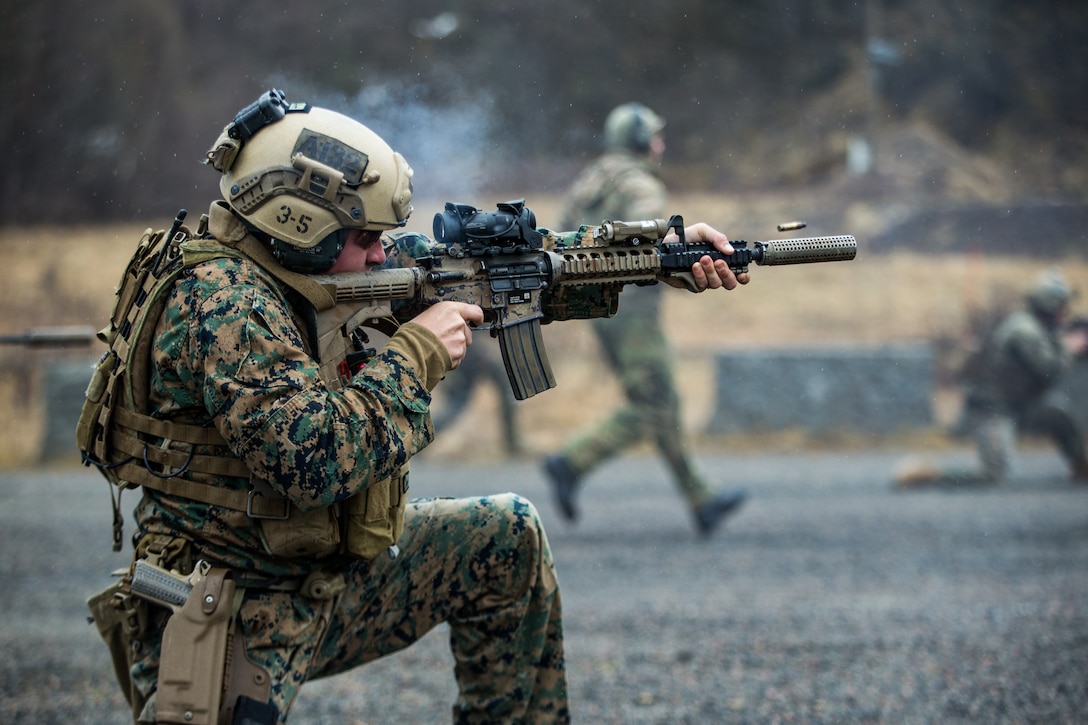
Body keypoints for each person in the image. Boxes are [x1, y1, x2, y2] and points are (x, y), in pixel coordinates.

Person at [81, 90, 749, 724]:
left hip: (321, 578)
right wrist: (414, 356)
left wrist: (652, 256)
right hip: (229, 607)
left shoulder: (305, 267)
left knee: (505, 538)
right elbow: (311, 462)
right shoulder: (221, 299)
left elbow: (495, 272)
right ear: (302, 226)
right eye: (364, 236)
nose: (381, 253)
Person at [542, 103, 748, 536]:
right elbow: (655, 237)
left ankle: (701, 499)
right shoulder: (638, 183)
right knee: (654, 403)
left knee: (661, 400)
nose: (661, 144)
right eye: (655, 137)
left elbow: (561, 235)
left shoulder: (593, 180)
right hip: (634, 310)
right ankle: (572, 462)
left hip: (600, 306)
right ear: (639, 142)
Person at [896, 271, 1088, 487]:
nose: (1066, 312)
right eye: (1062, 306)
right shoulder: (1023, 330)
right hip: (992, 410)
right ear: (1050, 305)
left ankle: (1081, 467)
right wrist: (1069, 347)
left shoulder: (1037, 328)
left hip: (1020, 406)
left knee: (1059, 415)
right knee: (993, 476)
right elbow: (1048, 371)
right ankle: (927, 475)